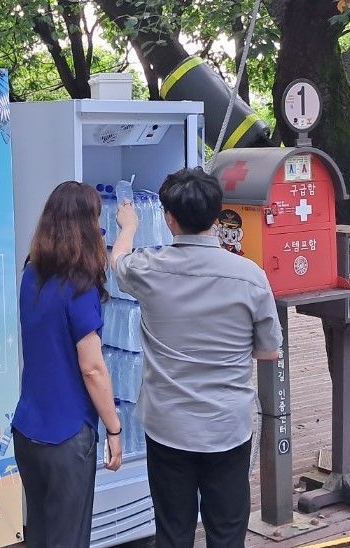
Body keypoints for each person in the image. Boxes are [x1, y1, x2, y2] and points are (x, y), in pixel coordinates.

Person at [111, 168, 282, 547]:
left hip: (168, 426)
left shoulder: (148, 268)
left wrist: (128, 225)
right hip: (227, 425)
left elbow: (117, 262)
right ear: (218, 214)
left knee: (173, 531)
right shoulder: (250, 277)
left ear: (169, 219)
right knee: (226, 531)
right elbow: (269, 351)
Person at [12, 180, 123, 548]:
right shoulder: (80, 287)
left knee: (40, 535)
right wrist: (114, 428)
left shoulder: (31, 273)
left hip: (27, 429)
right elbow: (92, 368)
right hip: (67, 436)